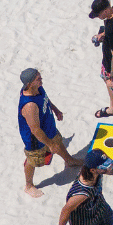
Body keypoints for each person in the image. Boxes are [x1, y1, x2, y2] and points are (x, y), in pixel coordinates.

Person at [18, 67, 80, 198]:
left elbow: (46, 99)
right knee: (32, 160)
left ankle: (69, 161)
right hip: (36, 139)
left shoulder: (38, 89)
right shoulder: (29, 105)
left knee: (59, 143)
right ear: (29, 84)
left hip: (49, 127)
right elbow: (35, 129)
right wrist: (49, 145)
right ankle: (28, 185)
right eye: (38, 79)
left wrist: (55, 109)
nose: (41, 79)